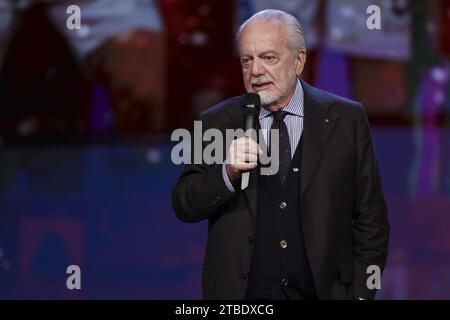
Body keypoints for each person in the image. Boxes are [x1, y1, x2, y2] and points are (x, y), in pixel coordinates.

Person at [172, 9, 389, 300]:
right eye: (247, 60)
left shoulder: (346, 119)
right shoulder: (215, 122)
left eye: (268, 58)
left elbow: (371, 220)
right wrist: (227, 172)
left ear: (299, 61)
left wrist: (361, 295)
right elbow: (184, 204)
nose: (256, 71)